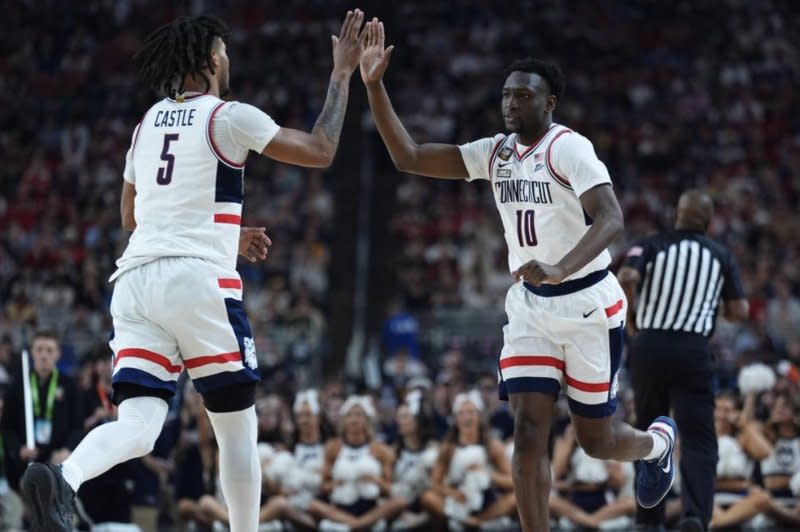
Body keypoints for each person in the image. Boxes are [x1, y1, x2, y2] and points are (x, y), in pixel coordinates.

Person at [20, 11, 369, 532]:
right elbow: (320, 150)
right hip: (196, 283)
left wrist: (225, 233)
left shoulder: (146, 123)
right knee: (235, 430)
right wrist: (341, 74)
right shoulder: (227, 115)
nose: (228, 62)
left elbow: (130, 217)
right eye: (224, 54)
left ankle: (64, 478)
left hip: (135, 283)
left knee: (139, 425)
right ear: (211, 61)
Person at [358, 20, 678, 532]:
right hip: (529, 307)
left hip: (587, 302)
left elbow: (612, 217)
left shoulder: (569, 148)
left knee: (596, 441)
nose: (511, 104)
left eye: (523, 96)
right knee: (529, 432)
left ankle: (657, 444)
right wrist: (374, 86)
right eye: (507, 95)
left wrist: (560, 266)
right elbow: (409, 156)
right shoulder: (497, 151)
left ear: (549, 103)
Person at [618, 189, 749, 532]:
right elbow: (740, 311)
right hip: (693, 349)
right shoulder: (720, 254)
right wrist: (705, 306)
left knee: (648, 432)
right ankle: (694, 516)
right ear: (708, 220)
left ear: (677, 214)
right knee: (698, 438)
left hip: (648, 346)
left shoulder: (649, 244)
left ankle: (648, 518)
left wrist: (632, 318)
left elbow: (626, 277)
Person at [1, 331, 83, 492]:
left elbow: (77, 425)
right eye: (39, 349)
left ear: (58, 354)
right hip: (24, 467)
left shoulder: (70, 386)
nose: (44, 355)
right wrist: (18, 449)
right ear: (32, 352)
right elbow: (7, 428)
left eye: (49, 350)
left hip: (59, 466)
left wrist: (67, 449)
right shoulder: (17, 385)